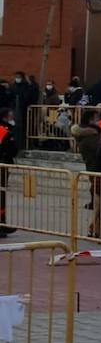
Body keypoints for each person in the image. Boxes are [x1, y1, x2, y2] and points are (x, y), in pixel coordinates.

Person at [71, 108, 100, 210]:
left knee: (95, 183)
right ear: (90, 119)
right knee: (97, 183)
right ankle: (95, 203)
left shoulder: (84, 133)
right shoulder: (91, 134)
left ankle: (94, 202)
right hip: (94, 161)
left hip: (90, 161)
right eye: (97, 118)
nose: (99, 120)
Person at [0, 107, 17, 238]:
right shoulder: (5, 131)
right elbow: (12, 149)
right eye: (11, 116)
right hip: (2, 165)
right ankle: (1, 224)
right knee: (1, 195)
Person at [9, 73, 31, 151]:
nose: (17, 78)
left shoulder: (25, 86)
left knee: (21, 128)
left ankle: (21, 144)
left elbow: (27, 97)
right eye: (16, 77)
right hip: (14, 109)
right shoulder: (12, 86)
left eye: (18, 77)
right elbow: (10, 96)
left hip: (22, 110)